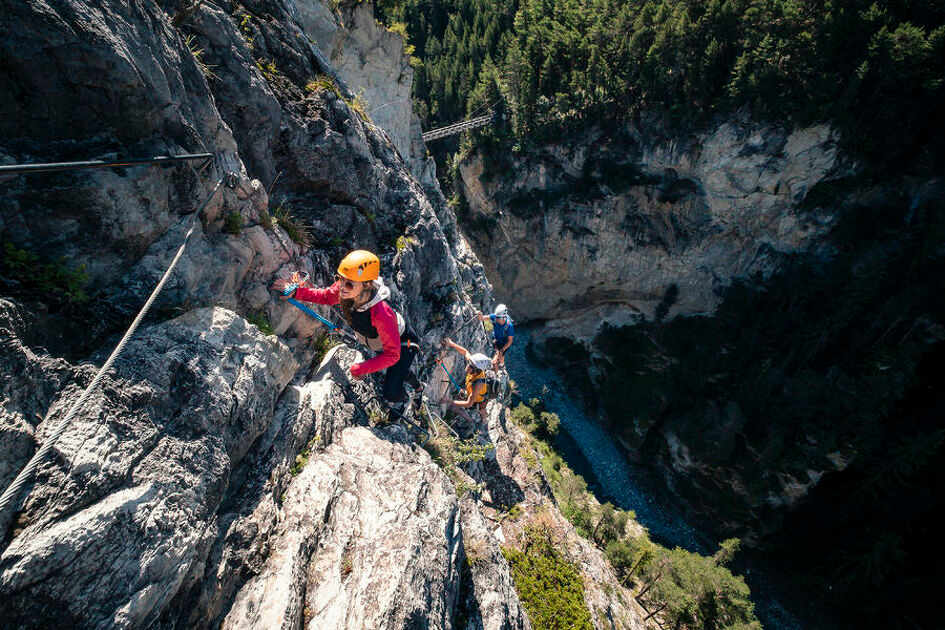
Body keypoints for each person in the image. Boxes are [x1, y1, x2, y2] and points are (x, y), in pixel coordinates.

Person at [271, 250, 420, 419]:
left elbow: (392, 354)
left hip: (403, 344)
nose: (342, 287)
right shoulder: (347, 290)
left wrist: (362, 368)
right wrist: (296, 292)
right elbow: (327, 296)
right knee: (398, 370)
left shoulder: (382, 313)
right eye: (340, 278)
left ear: (367, 284)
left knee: (391, 391)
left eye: (349, 284)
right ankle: (413, 383)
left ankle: (402, 401)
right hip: (380, 342)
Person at [440, 337, 492, 420]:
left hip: (476, 400)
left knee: (453, 408)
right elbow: (465, 352)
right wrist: (451, 343)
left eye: (470, 366)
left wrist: (448, 401)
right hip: (473, 393)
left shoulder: (477, 385)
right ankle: (483, 415)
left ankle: (470, 420)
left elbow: (468, 404)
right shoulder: (474, 364)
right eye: (469, 363)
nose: (468, 366)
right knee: (460, 398)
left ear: (477, 371)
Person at [477, 304, 514, 370]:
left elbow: (510, 341)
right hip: (496, 339)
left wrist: (503, 349)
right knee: (499, 354)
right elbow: (482, 318)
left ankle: (501, 366)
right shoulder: (495, 316)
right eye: (496, 317)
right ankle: (500, 364)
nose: (496, 319)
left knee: (500, 355)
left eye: (498, 318)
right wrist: (479, 315)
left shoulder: (509, 326)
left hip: (504, 343)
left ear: (503, 318)